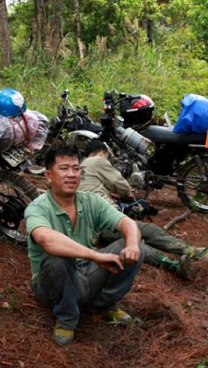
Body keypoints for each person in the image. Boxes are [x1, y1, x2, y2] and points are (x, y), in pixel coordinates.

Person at [25, 144, 146, 346]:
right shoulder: (37, 207)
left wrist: (132, 244)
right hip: (49, 284)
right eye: (64, 169)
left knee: (136, 246)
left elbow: (127, 223)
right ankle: (67, 317)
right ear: (48, 175)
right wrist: (95, 255)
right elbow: (46, 239)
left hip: (87, 273)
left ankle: (103, 303)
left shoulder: (91, 201)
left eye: (76, 168)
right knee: (57, 257)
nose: (71, 175)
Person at [79, 140, 208, 280]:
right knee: (145, 233)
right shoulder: (97, 160)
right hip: (104, 218)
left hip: (88, 225)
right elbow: (122, 185)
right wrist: (128, 193)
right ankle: (191, 254)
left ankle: (180, 261)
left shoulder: (78, 169)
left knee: (133, 238)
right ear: (102, 152)